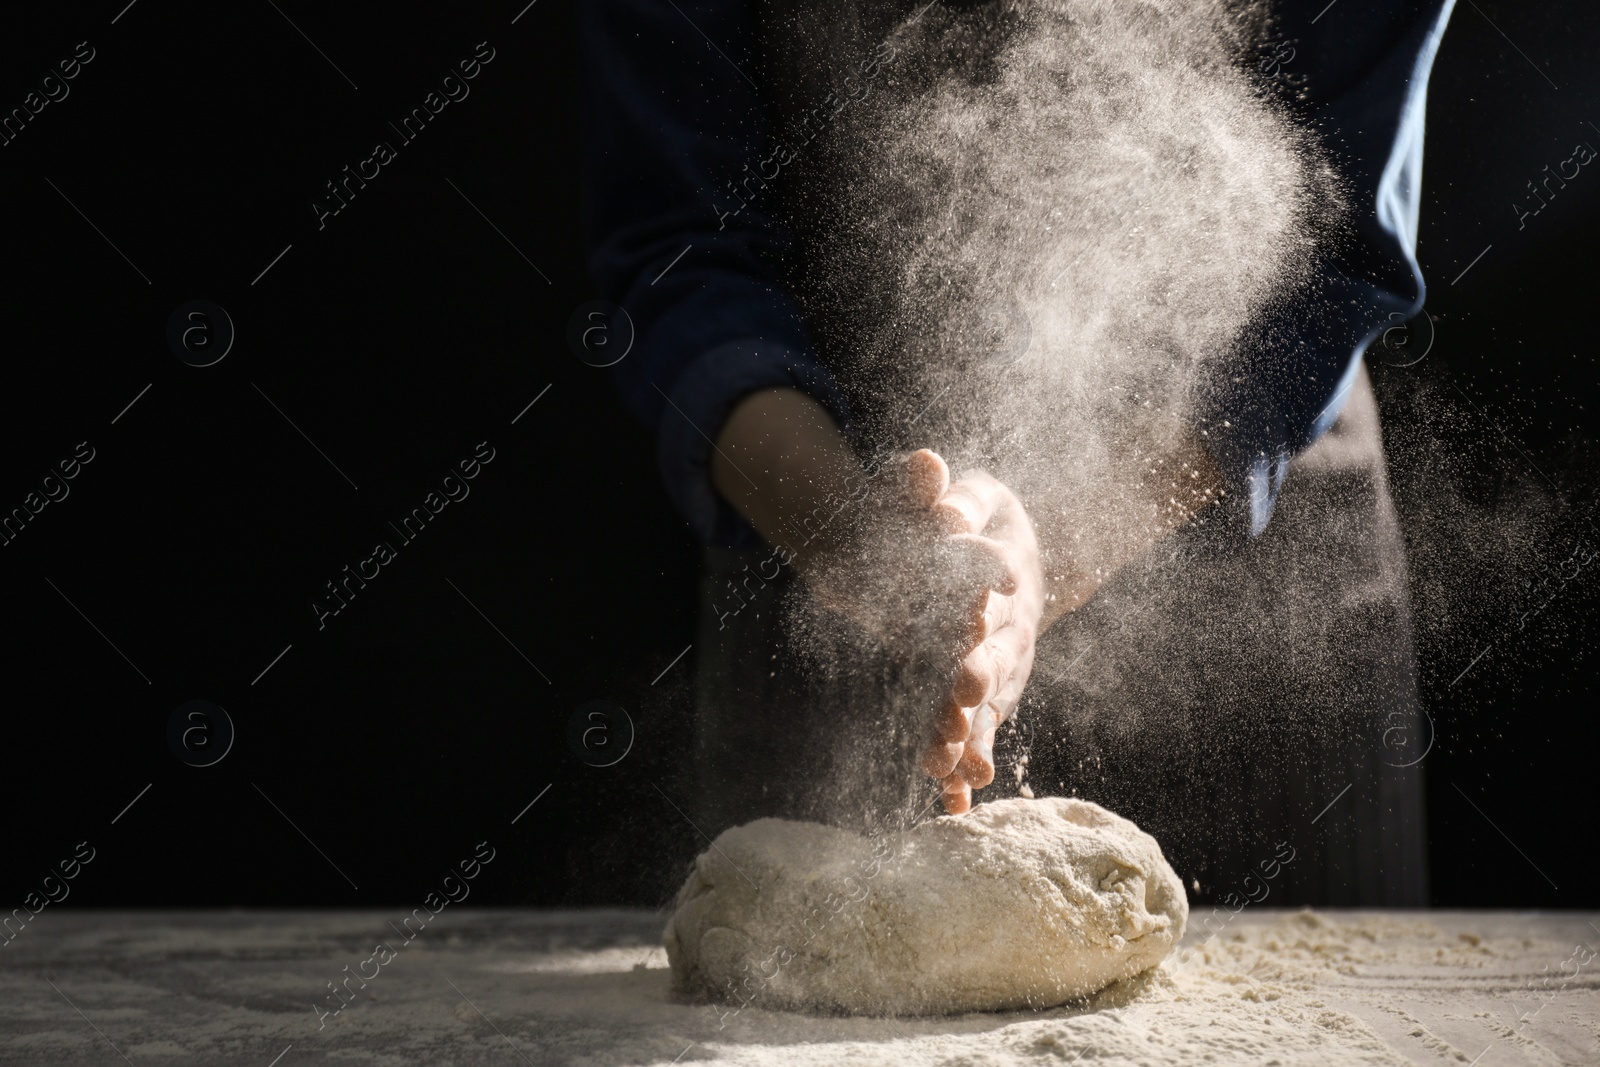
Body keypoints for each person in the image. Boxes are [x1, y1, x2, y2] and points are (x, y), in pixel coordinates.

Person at [578, 0, 1454, 905]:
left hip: (1246, 549)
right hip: (807, 504)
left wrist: (1053, 548)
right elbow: (683, 253)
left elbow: (1332, 250)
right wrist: (852, 532)